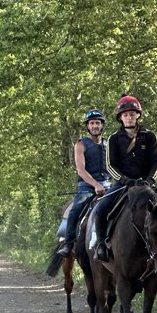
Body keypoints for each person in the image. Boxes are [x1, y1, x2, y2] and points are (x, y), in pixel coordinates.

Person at [92, 95, 157, 262]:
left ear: (138, 115)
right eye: (125, 115)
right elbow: (110, 165)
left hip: (145, 184)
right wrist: (124, 180)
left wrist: (150, 180)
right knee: (101, 208)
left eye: (132, 114)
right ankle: (101, 245)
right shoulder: (114, 139)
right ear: (120, 117)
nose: (129, 117)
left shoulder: (150, 136)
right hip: (123, 185)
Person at [57, 109, 110, 257]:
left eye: (97, 123)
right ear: (88, 126)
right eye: (92, 123)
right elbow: (81, 170)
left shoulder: (109, 144)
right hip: (86, 186)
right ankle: (68, 243)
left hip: (107, 185)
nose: (95, 126)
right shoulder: (81, 145)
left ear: (102, 125)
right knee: (76, 208)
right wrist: (96, 185)